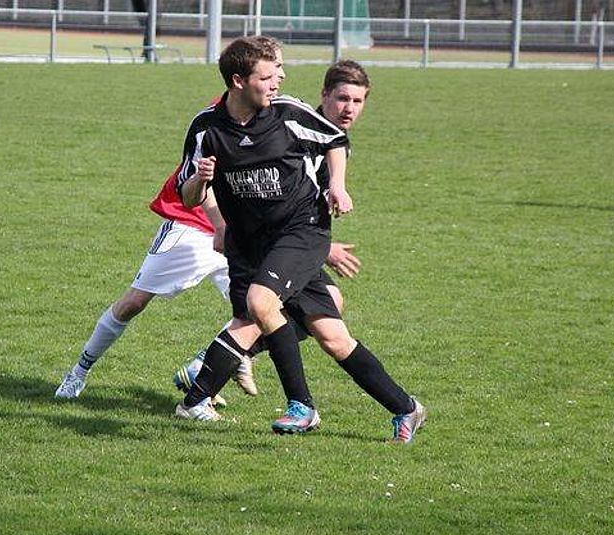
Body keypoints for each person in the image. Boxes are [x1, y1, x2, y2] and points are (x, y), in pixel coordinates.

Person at [174, 37, 427, 443]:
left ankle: (300, 406)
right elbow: (188, 194)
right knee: (330, 335)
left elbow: (335, 141)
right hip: (251, 244)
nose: (278, 81)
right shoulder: (206, 128)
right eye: (269, 76)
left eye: (278, 75)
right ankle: (406, 408)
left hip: (301, 230)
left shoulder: (288, 113)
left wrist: (338, 188)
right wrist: (201, 184)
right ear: (239, 81)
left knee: (260, 305)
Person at [53, 108, 361, 403]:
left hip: (246, 237)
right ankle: (79, 371)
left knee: (301, 304)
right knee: (134, 302)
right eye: (270, 70)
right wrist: (219, 225)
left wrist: (316, 246)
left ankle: (206, 377)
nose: (277, 76)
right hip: (194, 226)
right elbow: (204, 178)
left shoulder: (294, 124)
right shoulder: (223, 118)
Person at [171, 59, 371, 397]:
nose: (348, 108)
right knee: (259, 311)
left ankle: (225, 363)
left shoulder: (332, 142)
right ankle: (207, 376)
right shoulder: (292, 126)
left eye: (357, 101)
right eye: (342, 98)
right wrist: (220, 224)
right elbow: (222, 182)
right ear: (323, 95)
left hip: (290, 239)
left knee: (328, 304)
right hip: (258, 240)